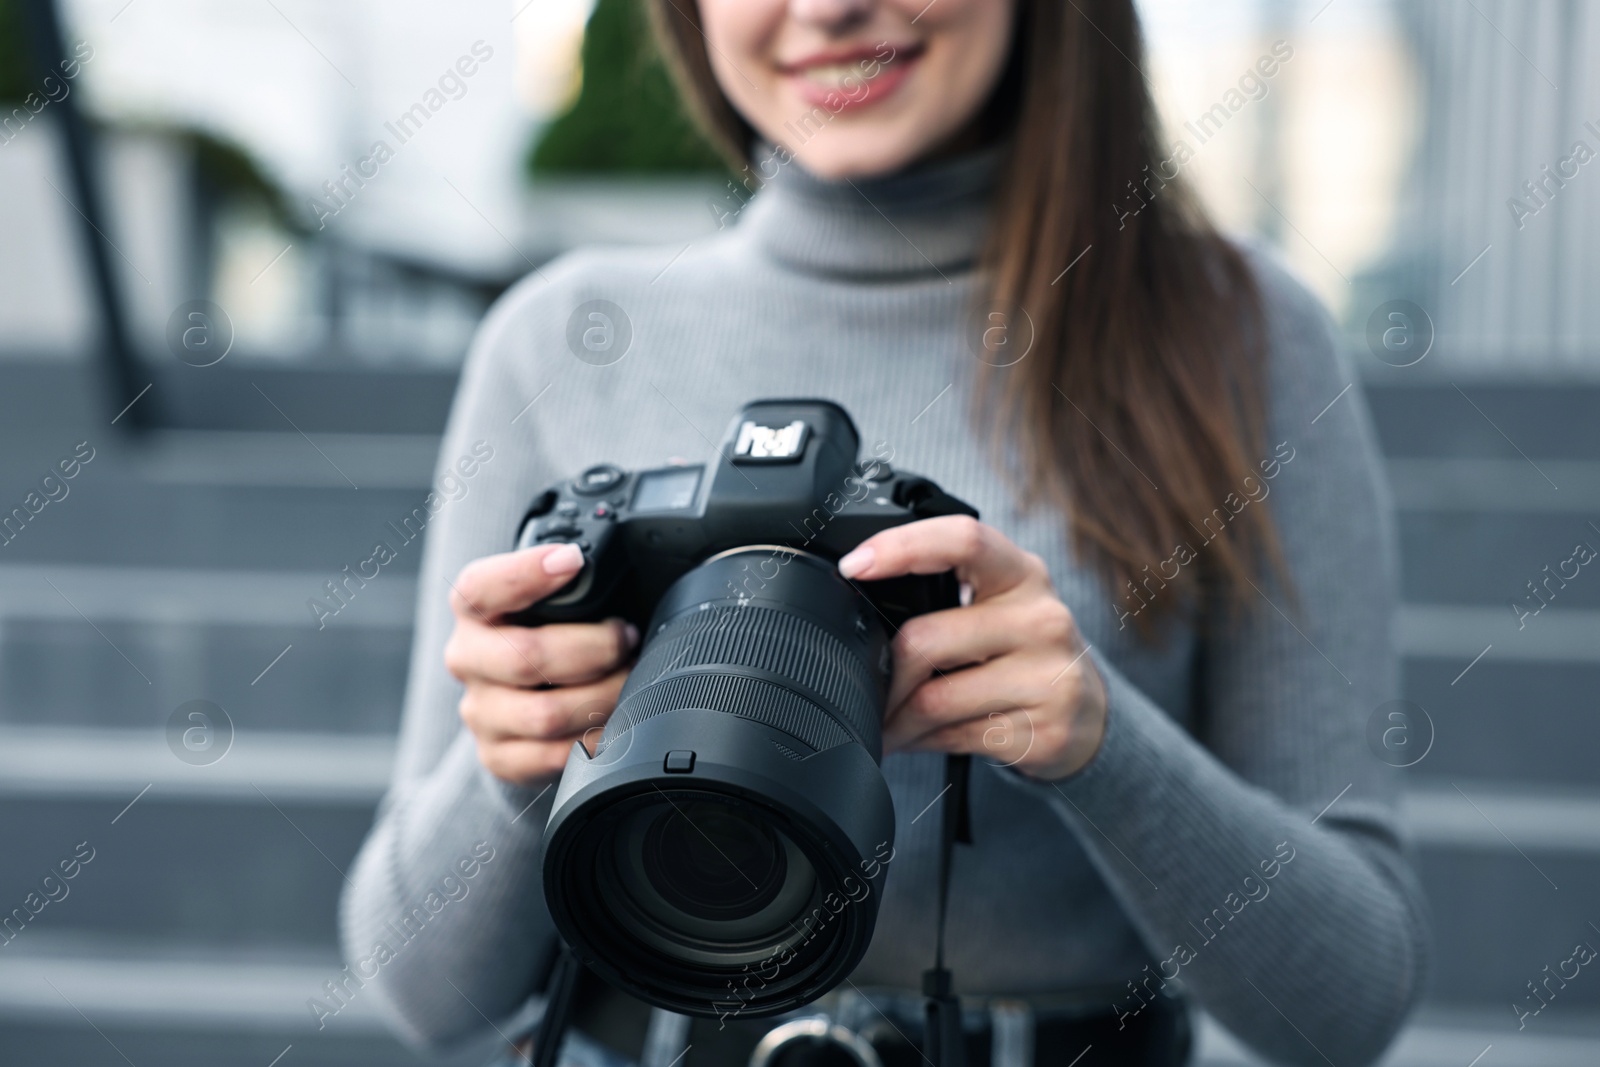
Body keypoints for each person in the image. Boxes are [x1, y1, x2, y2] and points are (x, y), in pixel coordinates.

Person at [341, 1, 1429, 1065]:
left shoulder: (1237, 332)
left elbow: (1346, 1005)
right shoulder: (565, 341)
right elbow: (420, 990)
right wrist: (515, 766)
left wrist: (1099, 742)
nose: (828, 8)